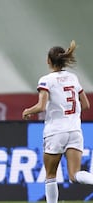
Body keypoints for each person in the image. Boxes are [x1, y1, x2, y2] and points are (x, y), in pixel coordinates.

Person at [22, 40, 92, 203]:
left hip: (55, 131)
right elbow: (86, 104)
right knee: (75, 175)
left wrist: (27, 111)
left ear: (49, 61)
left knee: (50, 175)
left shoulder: (46, 80)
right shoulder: (73, 77)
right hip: (75, 131)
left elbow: (41, 106)